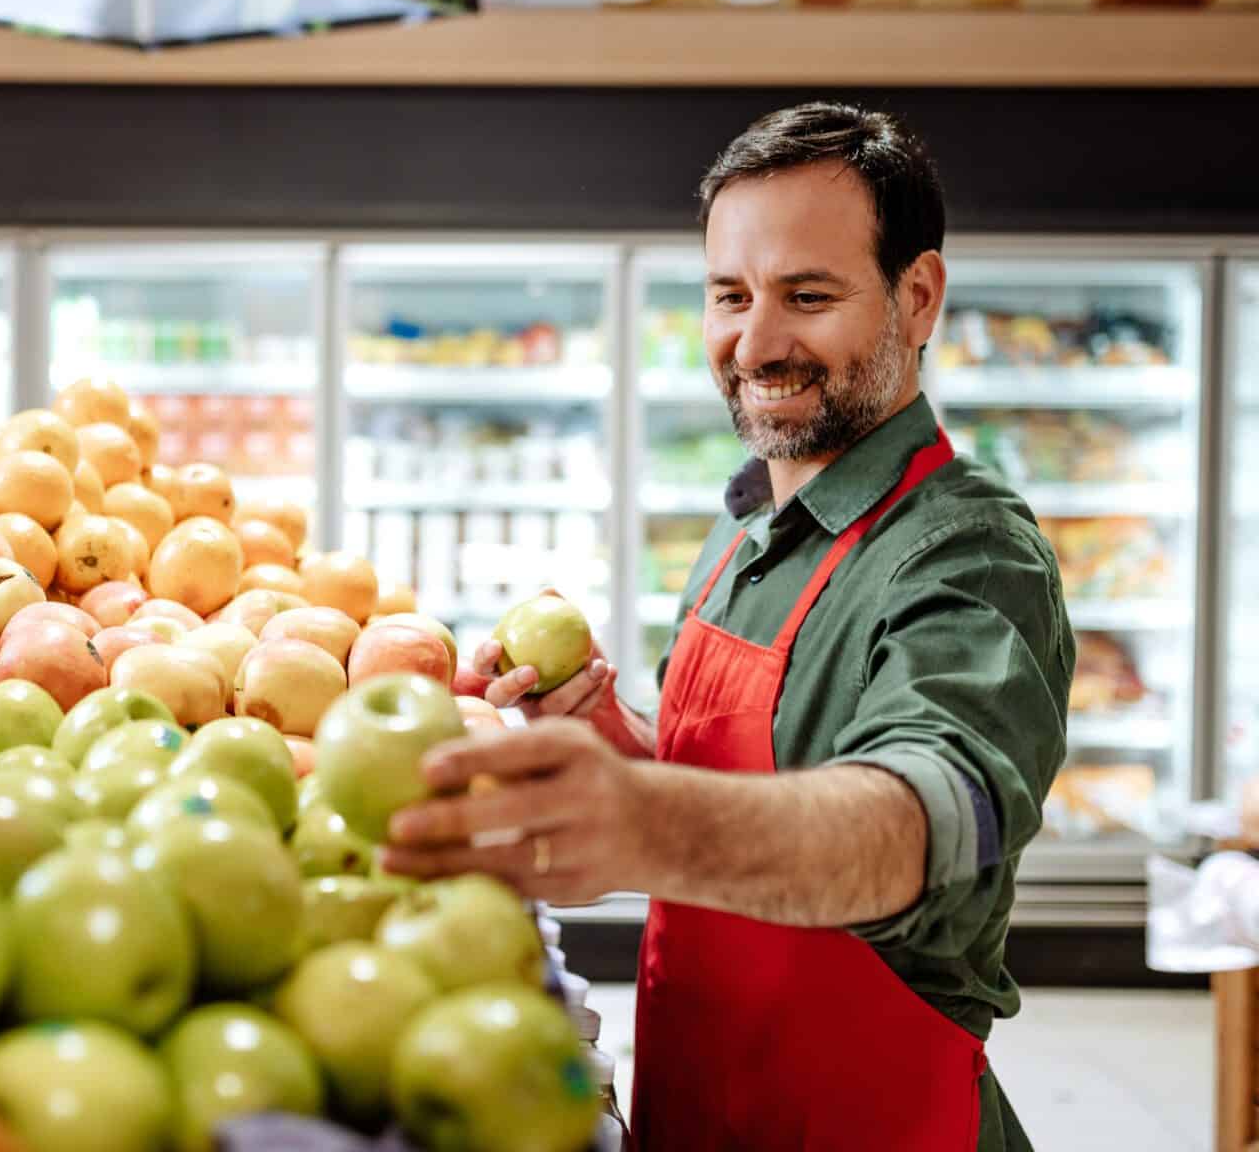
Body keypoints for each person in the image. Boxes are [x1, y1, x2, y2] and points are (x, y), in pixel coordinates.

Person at [383, 102, 1072, 1152]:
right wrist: (624, 747)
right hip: (700, 1103)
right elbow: (762, 799)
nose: (755, 342)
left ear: (917, 295)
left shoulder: (970, 550)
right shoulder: (744, 527)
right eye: (729, 295)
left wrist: (651, 817)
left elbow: (922, 823)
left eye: (807, 295)